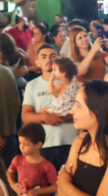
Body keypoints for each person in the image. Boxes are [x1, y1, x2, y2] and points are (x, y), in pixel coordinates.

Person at [21, 43, 78, 171]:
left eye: (52, 56)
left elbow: (85, 110)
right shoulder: (32, 85)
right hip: (44, 144)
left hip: (72, 142)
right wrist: (45, 117)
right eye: (44, 57)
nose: (48, 60)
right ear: (37, 61)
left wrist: (63, 118)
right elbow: (25, 116)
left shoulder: (72, 82)